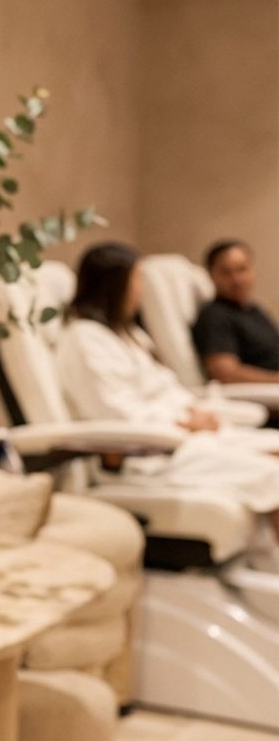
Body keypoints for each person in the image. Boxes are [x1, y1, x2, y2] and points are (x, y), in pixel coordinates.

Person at [56, 242, 279, 565]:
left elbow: (167, 389)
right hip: (149, 453)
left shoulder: (127, 336)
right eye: (136, 281)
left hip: (178, 438)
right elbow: (115, 414)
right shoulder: (85, 341)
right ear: (115, 285)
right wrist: (184, 423)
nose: (140, 291)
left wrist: (195, 412)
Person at [192, 240, 279, 384]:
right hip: (264, 394)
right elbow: (224, 373)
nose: (236, 279)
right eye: (226, 272)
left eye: (242, 269)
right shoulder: (214, 316)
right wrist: (275, 379)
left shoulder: (254, 311)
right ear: (211, 275)